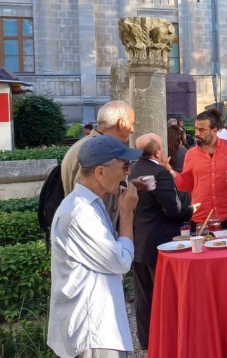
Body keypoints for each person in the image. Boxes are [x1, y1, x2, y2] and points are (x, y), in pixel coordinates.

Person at [47, 135, 142, 358]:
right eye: (124, 166)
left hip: (98, 324)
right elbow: (121, 261)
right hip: (93, 329)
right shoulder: (81, 213)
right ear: (100, 172)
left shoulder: (90, 205)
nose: (128, 173)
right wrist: (127, 214)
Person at [130, 133, 195, 350]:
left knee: (144, 295)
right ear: (158, 152)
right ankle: (167, 341)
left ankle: (147, 341)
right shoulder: (159, 173)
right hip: (161, 242)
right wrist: (192, 210)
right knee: (166, 295)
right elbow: (174, 210)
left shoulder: (132, 169)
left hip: (138, 239)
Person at [60, 100, 135, 227]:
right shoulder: (96, 151)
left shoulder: (84, 145)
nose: (132, 129)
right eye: (132, 124)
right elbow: (90, 193)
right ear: (122, 123)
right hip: (94, 230)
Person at [175, 110, 227, 231]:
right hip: (202, 219)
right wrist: (172, 173)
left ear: (214, 130)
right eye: (196, 129)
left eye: (202, 130)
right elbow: (186, 184)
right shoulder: (191, 154)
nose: (197, 133)